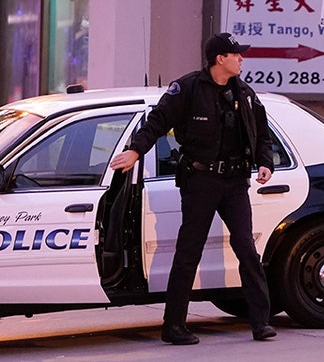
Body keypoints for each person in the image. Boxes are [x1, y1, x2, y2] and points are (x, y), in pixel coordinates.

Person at [109, 32, 277, 345]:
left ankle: (260, 323)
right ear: (220, 59)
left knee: (246, 249)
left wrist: (265, 162)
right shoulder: (188, 88)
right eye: (236, 54)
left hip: (235, 182)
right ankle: (173, 326)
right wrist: (135, 151)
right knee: (189, 252)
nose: (241, 59)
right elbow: (157, 122)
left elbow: (262, 135)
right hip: (201, 181)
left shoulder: (245, 93)